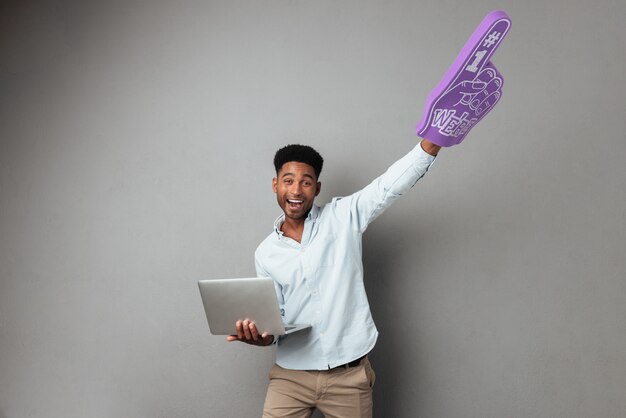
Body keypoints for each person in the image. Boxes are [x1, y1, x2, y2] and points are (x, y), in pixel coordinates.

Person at [227, 139, 441, 417]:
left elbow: (388, 186)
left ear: (317, 188)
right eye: (288, 180)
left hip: (348, 377)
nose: (295, 190)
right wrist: (260, 337)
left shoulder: (343, 217)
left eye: (305, 182)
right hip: (290, 377)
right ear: (275, 185)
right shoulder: (265, 253)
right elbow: (275, 321)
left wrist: (432, 143)